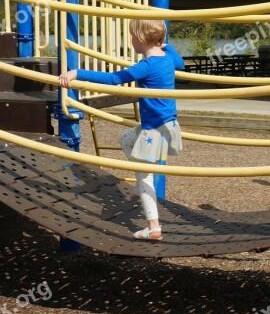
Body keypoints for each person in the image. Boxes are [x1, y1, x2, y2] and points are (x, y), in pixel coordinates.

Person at [59, 19, 184, 241]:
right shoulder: (167, 59)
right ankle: (139, 189)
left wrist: (76, 73)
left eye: (132, 36)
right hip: (168, 125)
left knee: (143, 176)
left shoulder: (146, 66)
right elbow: (180, 62)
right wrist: (166, 46)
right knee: (126, 138)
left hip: (153, 131)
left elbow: (113, 79)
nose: (131, 40)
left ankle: (153, 227)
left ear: (141, 39)